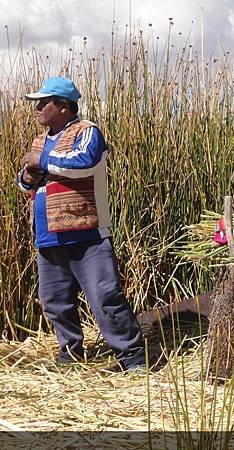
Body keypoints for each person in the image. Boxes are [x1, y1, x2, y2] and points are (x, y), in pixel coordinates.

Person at [16, 77, 146, 371]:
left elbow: (84, 161)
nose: (37, 109)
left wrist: (41, 161)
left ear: (62, 106)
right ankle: (70, 354)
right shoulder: (41, 141)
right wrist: (28, 177)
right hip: (49, 235)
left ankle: (132, 357)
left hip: (86, 233)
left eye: (42, 103)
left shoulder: (87, 132)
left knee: (105, 297)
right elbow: (24, 181)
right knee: (53, 300)